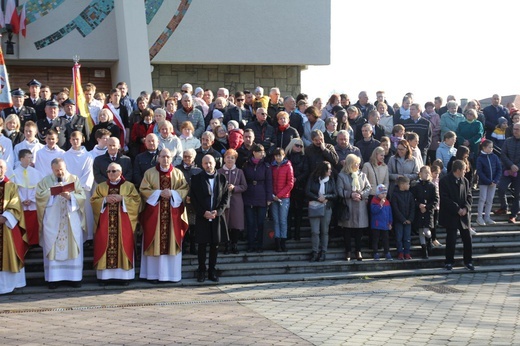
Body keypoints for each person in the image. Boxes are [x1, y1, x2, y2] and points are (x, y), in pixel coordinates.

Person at [139, 148, 189, 283]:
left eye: (168, 156)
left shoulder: (178, 173)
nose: (165, 159)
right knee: (154, 241)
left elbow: (184, 189)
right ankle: (153, 275)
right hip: (154, 216)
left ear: (171, 158)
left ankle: (171, 275)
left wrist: (172, 193)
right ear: (158, 158)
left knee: (171, 241)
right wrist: (158, 193)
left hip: (172, 216)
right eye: (163, 156)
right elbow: (143, 189)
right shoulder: (149, 173)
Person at [36, 158, 86, 289]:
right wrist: (51, 193)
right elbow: (39, 197)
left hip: (70, 219)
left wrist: (70, 197)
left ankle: (74, 278)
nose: (59, 172)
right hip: (53, 220)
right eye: (57, 170)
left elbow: (82, 197)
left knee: (72, 245)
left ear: (65, 167)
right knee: (53, 246)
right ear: (52, 169)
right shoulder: (45, 181)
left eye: (61, 169)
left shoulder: (74, 179)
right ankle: (54, 279)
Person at [91, 162, 141, 285]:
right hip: (105, 224)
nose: (111, 174)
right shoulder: (101, 187)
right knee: (105, 244)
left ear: (120, 172)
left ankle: (124, 277)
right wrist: (104, 200)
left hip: (124, 225)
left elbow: (137, 201)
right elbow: (93, 201)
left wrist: (122, 199)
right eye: (108, 171)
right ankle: (104, 277)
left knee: (124, 245)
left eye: (114, 171)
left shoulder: (129, 186)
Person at [190, 155, 229, 283]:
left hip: (216, 216)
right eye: (205, 163)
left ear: (215, 163)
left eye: (210, 163)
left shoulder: (222, 178)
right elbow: (194, 199)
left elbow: (225, 198)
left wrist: (218, 212)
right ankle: (202, 270)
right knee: (202, 245)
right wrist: (203, 212)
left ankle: (212, 271)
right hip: (203, 216)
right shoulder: (196, 179)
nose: (208, 165)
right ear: (201, 164)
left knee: (215, 245)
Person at [0, 159, 28, 294]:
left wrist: (5, 217)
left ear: (5, 170)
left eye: (1, 167)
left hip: (6, 225)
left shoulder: (11, 186)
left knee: (10, 251)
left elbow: (16, 204)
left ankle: (8, 285)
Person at [440, 160, 474, 271]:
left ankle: (468, 261)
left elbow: (469, 196)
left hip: (464, 215)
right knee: (451, 239)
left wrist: (466, 208)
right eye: (464, 170)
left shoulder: (465, 181)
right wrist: (457, 209)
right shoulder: (445, 181)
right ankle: (449, 262)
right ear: (458, 170)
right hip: (451, 215)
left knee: (467, 239)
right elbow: (444, 198)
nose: (465, 172)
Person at [63, 131, 95, 243]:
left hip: (83, 190)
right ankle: (73, 237)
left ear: (82, 139)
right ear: (70, 140)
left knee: (86, 213)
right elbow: (64, 173)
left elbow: (89, 173)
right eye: (73, 139)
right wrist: (70, 186)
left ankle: (88, 237)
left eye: (77, 139)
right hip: (70, 190)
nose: (75, 141)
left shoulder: (88, 156)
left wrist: (79, 187)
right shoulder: (65, 156)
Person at [336, 154, 370, 261]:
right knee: (347, 230)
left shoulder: (362, 175)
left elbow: (368, 187)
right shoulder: (342, 176)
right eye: (356, 163)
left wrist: (361, 194)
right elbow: (339, 190)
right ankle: (348, 251)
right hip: (348, 206)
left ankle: (358, 250)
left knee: (359, 231)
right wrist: (350, 194)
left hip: (360, 205)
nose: (358, 165)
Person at [242, 144, 273, 252]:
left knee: (260, 222)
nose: (262, 154)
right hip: (249, 195)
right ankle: (250, 244)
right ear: (254, 152)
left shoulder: (266, 166)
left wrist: (269, 198)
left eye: (263, 152)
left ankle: (260, 245)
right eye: (259, 152)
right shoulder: (246, 165)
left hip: (262, 196)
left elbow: (269, 183)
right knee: (250, 223)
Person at [306, 161, 337, 262]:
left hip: (326, 207)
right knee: (315, 231)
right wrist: (317, 198)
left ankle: (323, 252)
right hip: (315, 206)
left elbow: (335, 194)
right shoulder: (313, 178)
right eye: (328, 170)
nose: (330, 171)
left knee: (325, 231)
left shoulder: (331, 180)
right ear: (323, 170)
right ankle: (315, 251)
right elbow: (308, 191)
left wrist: (326, 197)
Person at [217, 149, 247, 254]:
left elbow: (244, 186)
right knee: (225, 224)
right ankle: (226, 245)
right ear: (224, 159)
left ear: (235, 160)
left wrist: (235, 188)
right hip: (223, 201)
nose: (230, 159)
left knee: (235, 224)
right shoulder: (219, 172)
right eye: (228, 157)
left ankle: (235, 244)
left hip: (236, 201)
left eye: (232, 158)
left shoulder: (240, 172)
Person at [12, 150, 43, 247]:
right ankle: (23, 243)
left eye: (31, 157)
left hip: (32, 203)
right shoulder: (14, 173)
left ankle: (34, 242)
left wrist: (31, 199)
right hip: (21, 204)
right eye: (28, 157)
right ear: (21, 159)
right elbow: (14, 188)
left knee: (33, 223)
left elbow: (38, 187)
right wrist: (22, 199)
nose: (30, 159)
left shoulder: (36, 173)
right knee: (23, 223)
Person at [176, 148, 202, 255]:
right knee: (181, 224)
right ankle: (183, 245)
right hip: (180, 202)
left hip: (193, 203)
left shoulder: (198, 171)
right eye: (185, 156)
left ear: (194, 158)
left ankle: (192, 246)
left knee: (193, 225)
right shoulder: (177, 169)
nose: (187, 158)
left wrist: (192, 196)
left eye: (189, 157)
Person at [411, 166, 438, 259]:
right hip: (419, 211)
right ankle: (424, 250)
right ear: (420, 174)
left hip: (428, 212)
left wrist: (427, 207)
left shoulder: (432, 186)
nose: (426, 175)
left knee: (427, 231)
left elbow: (435, 199)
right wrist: (419, 205)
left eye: (428, 173)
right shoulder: (416, 186)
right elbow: (412, 199)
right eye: (424, 173)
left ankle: (429, 240)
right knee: (421, 231)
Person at [270, 147, 294, 252]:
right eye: (276, 155)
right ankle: (277, 243)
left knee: (283, 220)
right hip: (273, 197)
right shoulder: (272, 166)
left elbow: (290, 183)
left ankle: (283, 242)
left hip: (284, 197)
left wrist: (279, 195)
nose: (278, 157)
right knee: (276, 220)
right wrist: (272, 195)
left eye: (279, 155)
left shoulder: (288, 166)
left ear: (283, 155)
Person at [285, 138, 309, 241]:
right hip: (288, 187)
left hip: (299, 186)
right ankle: (288, 233)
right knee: (289, 211)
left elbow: (306, 171)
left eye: (301, 146)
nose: (299, 147)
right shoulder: (286, 157)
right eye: (297, 145)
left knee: (298, 212)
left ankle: (297, 234)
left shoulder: (304, 158)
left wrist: (296, 179)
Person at [496, 124, 520, 222]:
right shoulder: (508, 141)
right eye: (514, 129)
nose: (515, 131)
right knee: (501, 188)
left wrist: (517, 167)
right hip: (507, 170)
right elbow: (503, 155)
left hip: (519, 173)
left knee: (517, 194)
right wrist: (511, 166)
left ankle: (513, 215)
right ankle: (504, 207)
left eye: (517, 129)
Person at [476, 140, 502, 226]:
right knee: (482, 199)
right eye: (489, 147)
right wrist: (488, 181)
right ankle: (479, 217)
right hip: (484, 182)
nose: (491, 149)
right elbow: (480, 172)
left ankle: (487, 217)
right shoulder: (480, 158)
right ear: (484, 148)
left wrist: (495, 180)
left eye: (492, 147)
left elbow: (499, 169)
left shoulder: (494, 157)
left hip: (493, 183)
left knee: (490, 200)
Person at [391, 176, 415, 260]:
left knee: (407, 238)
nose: (409, 185)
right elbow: (395, 208)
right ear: (402, 184)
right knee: (399, 237)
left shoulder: (410, 194)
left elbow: (413, 207)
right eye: (407, 184)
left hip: (408, 221)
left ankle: (407, 252)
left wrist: (410, 219)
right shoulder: (395, 195)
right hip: (399, 221)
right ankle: (400, 252)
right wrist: (403, 219)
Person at [370, 184, 392, 260]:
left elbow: (389, 213)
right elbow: (373, 211)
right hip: (376, 224)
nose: (384, 195)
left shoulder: (387, 202)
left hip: (385, 224)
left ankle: (387, 252)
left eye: (385, 193)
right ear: (378, 193)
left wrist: (390, 222)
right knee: (376, 239)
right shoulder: (374, 201)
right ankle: (375, 253)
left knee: (386, 239)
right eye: (382, 193)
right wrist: (380, 205)